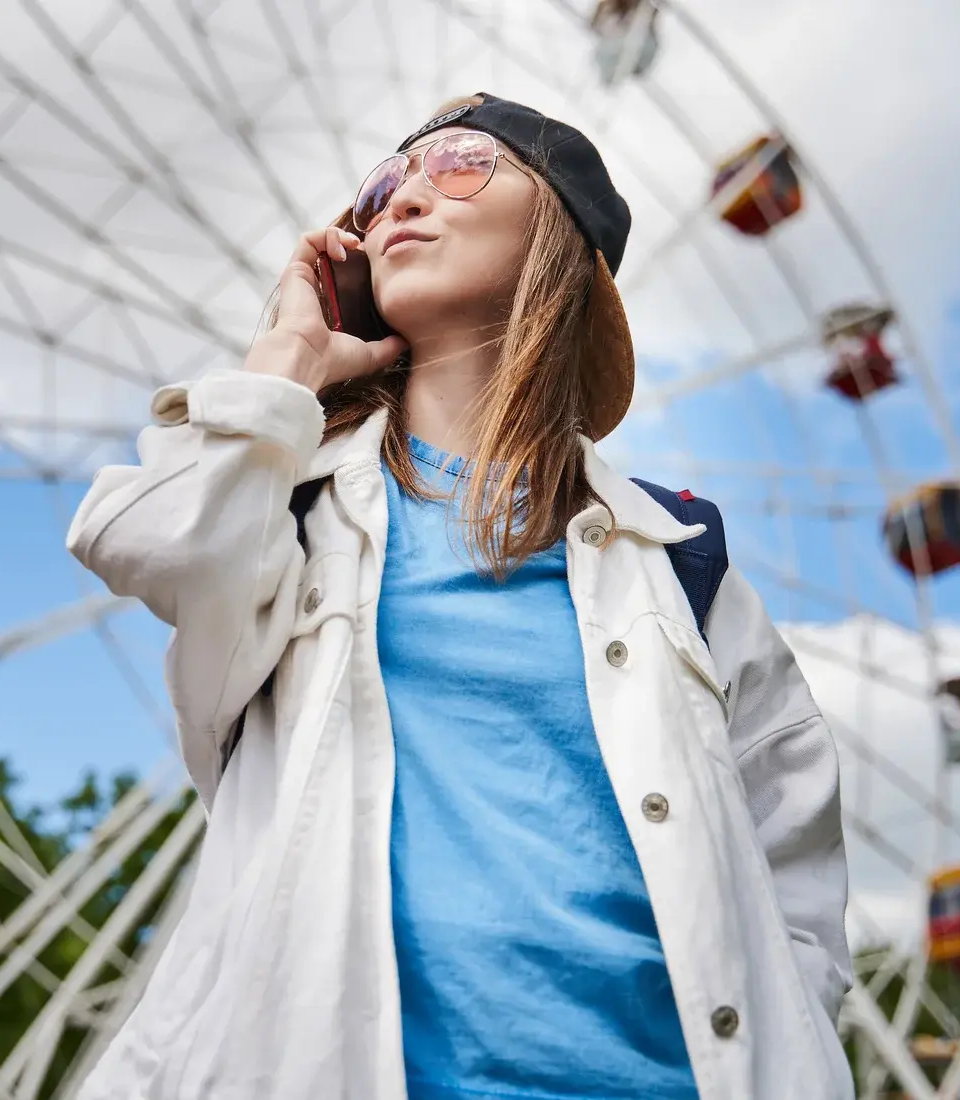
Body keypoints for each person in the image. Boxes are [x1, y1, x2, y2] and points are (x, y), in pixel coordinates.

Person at [68, 92, 854, 1100]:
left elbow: (792, 866)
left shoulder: (679, 558)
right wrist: (288, 363)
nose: (402, 200)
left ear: (558, 233)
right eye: (382, 188)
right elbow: (154, 541)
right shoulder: (286, 506)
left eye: (461, 165)